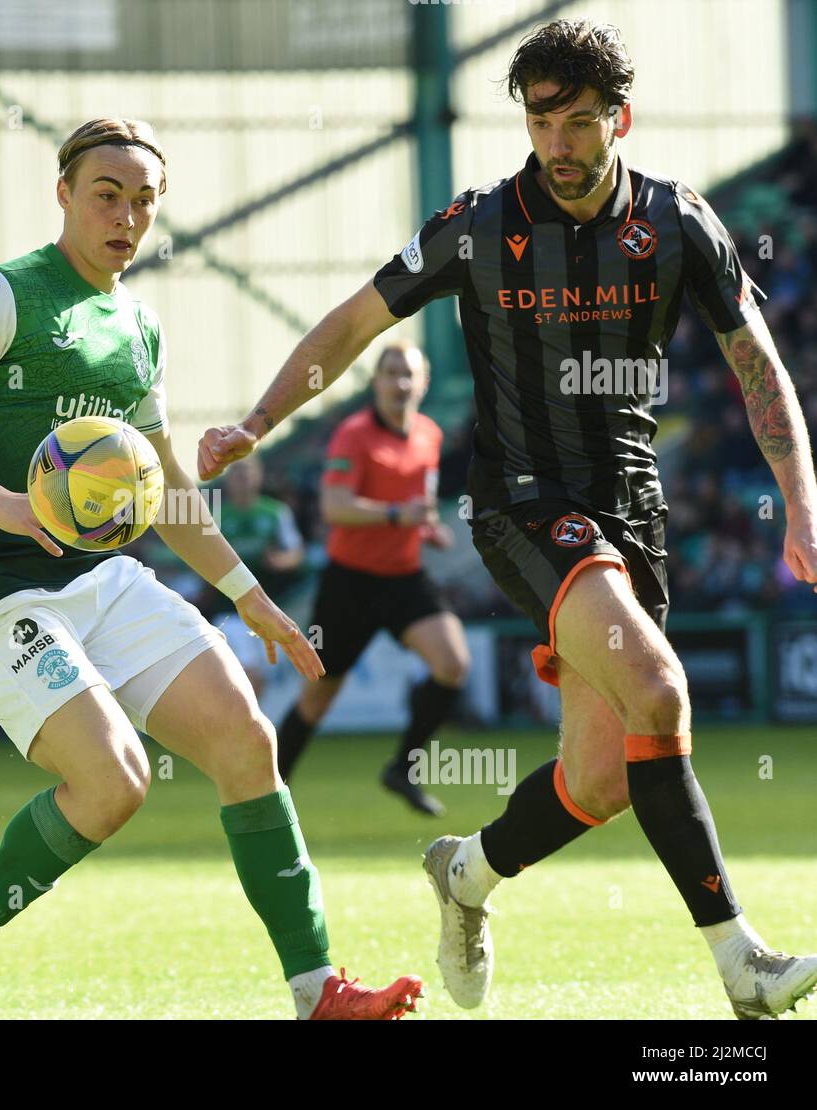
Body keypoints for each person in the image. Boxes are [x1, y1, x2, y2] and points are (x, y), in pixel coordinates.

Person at [197, 19, 817, 1020]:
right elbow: (354, 323)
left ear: (620, 118)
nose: (559, 144)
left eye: (579, 122)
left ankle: (466, 876)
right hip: (522, 504)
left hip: (631, 510)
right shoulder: (477, 224)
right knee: (659, 692)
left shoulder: (678, 223)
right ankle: (740, 961)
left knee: (600, 778)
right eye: (540, 121)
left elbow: (757, 367)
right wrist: (257, 420)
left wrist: (801, 504)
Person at [0, 117, 422, 1021]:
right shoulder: (3, 295)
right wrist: (0, 502)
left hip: (105, 581)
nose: (126, 216)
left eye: (144, 201)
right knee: (114, 782)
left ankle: (316, 990)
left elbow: (167, 488)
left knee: (248, 741)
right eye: (107, 195)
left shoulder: (137, 326)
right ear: (63, 194)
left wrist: (251, 597)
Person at [276, 343, 468, 817]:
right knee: (316, 701)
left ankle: (402, 768)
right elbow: (333, 506)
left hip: (404, 577)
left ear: (423, 383)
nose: (399, 383)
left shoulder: (429, 435)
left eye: (409, 374)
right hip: (350, 584)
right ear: (376, 382)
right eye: (390, 373)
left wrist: (427, 529)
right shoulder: (353, 434)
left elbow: (415, 504)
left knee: (453, 663)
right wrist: (396, 514)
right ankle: (266, 791)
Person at [207, 457, 305, 699]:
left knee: (256, 680)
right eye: (237, 472)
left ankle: (246, 729)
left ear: (259, 476)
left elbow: (296, 553)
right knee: (245, 673)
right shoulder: (214, 516)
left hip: (268, 608)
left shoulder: (275, 512)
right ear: (228, 480)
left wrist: (281, 561)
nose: (243, 478)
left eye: (248, 472)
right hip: (229, 609)